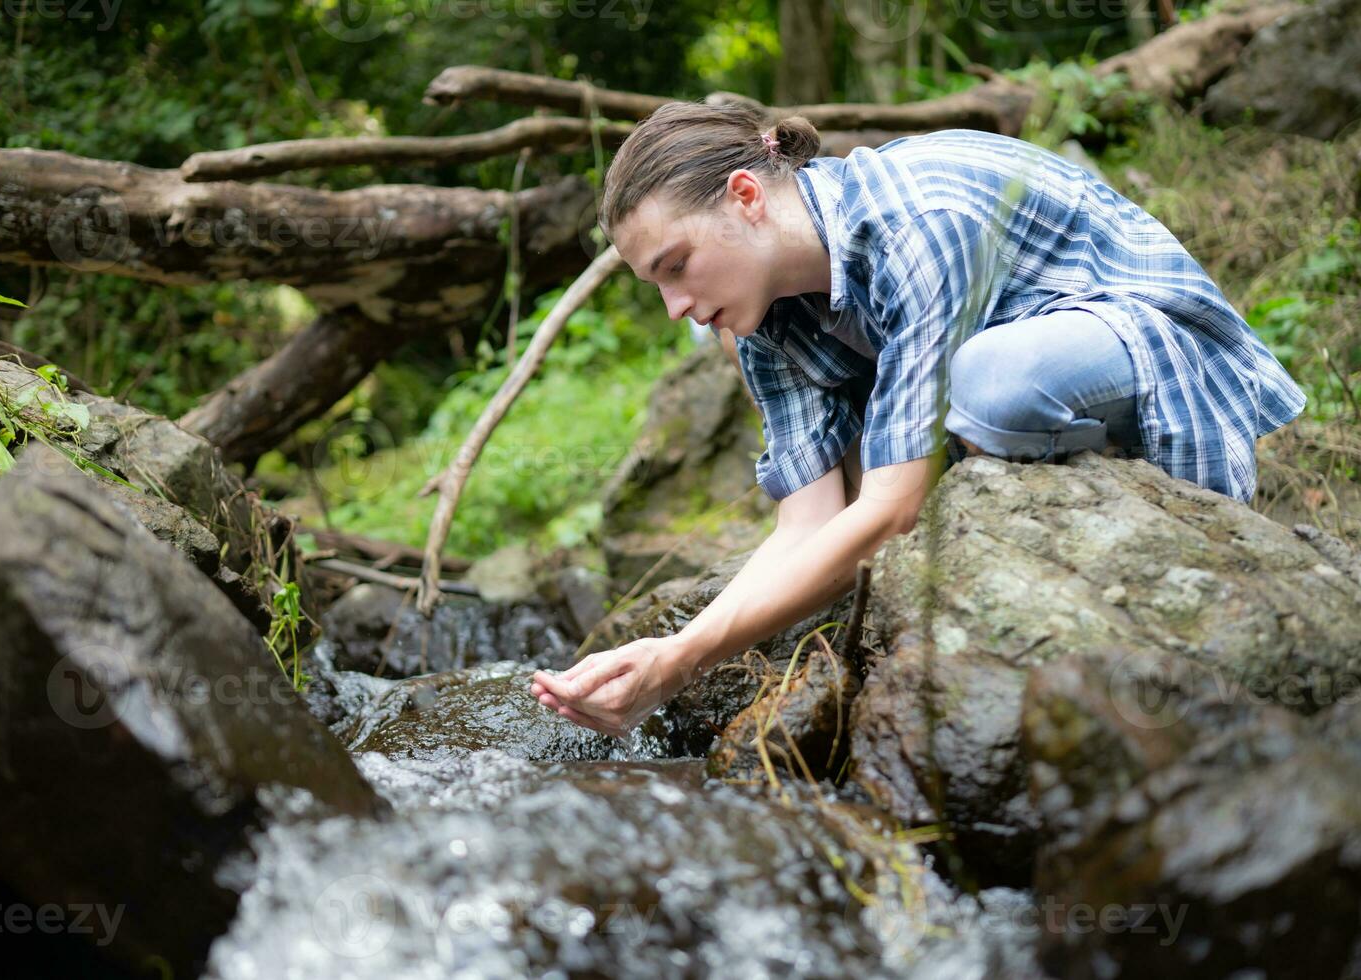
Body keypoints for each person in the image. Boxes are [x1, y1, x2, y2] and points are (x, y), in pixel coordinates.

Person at [530, 101, 1305, 737]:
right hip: (1014, 412)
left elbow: (893, 509)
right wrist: (671, 652)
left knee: (985, 383)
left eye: (676, 266)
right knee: (944, 416)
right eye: (652, 286)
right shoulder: (763, 322)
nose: (675, 309)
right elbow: (806, 525)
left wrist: (689, 656)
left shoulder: (913, 222)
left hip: (1153, 350)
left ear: (746, 197)